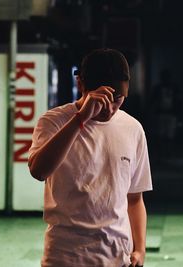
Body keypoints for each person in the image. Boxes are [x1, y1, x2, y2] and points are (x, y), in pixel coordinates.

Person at [28, 48, 153, 267]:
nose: (109, 108)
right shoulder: (54, 121)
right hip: (65, 256)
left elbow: (135, 199)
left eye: (117, 99)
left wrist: (140, 249)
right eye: (102, 98)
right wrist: (81, 119)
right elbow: (38, 171)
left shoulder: (133, 128)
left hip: (117, 257)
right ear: (81, 84)